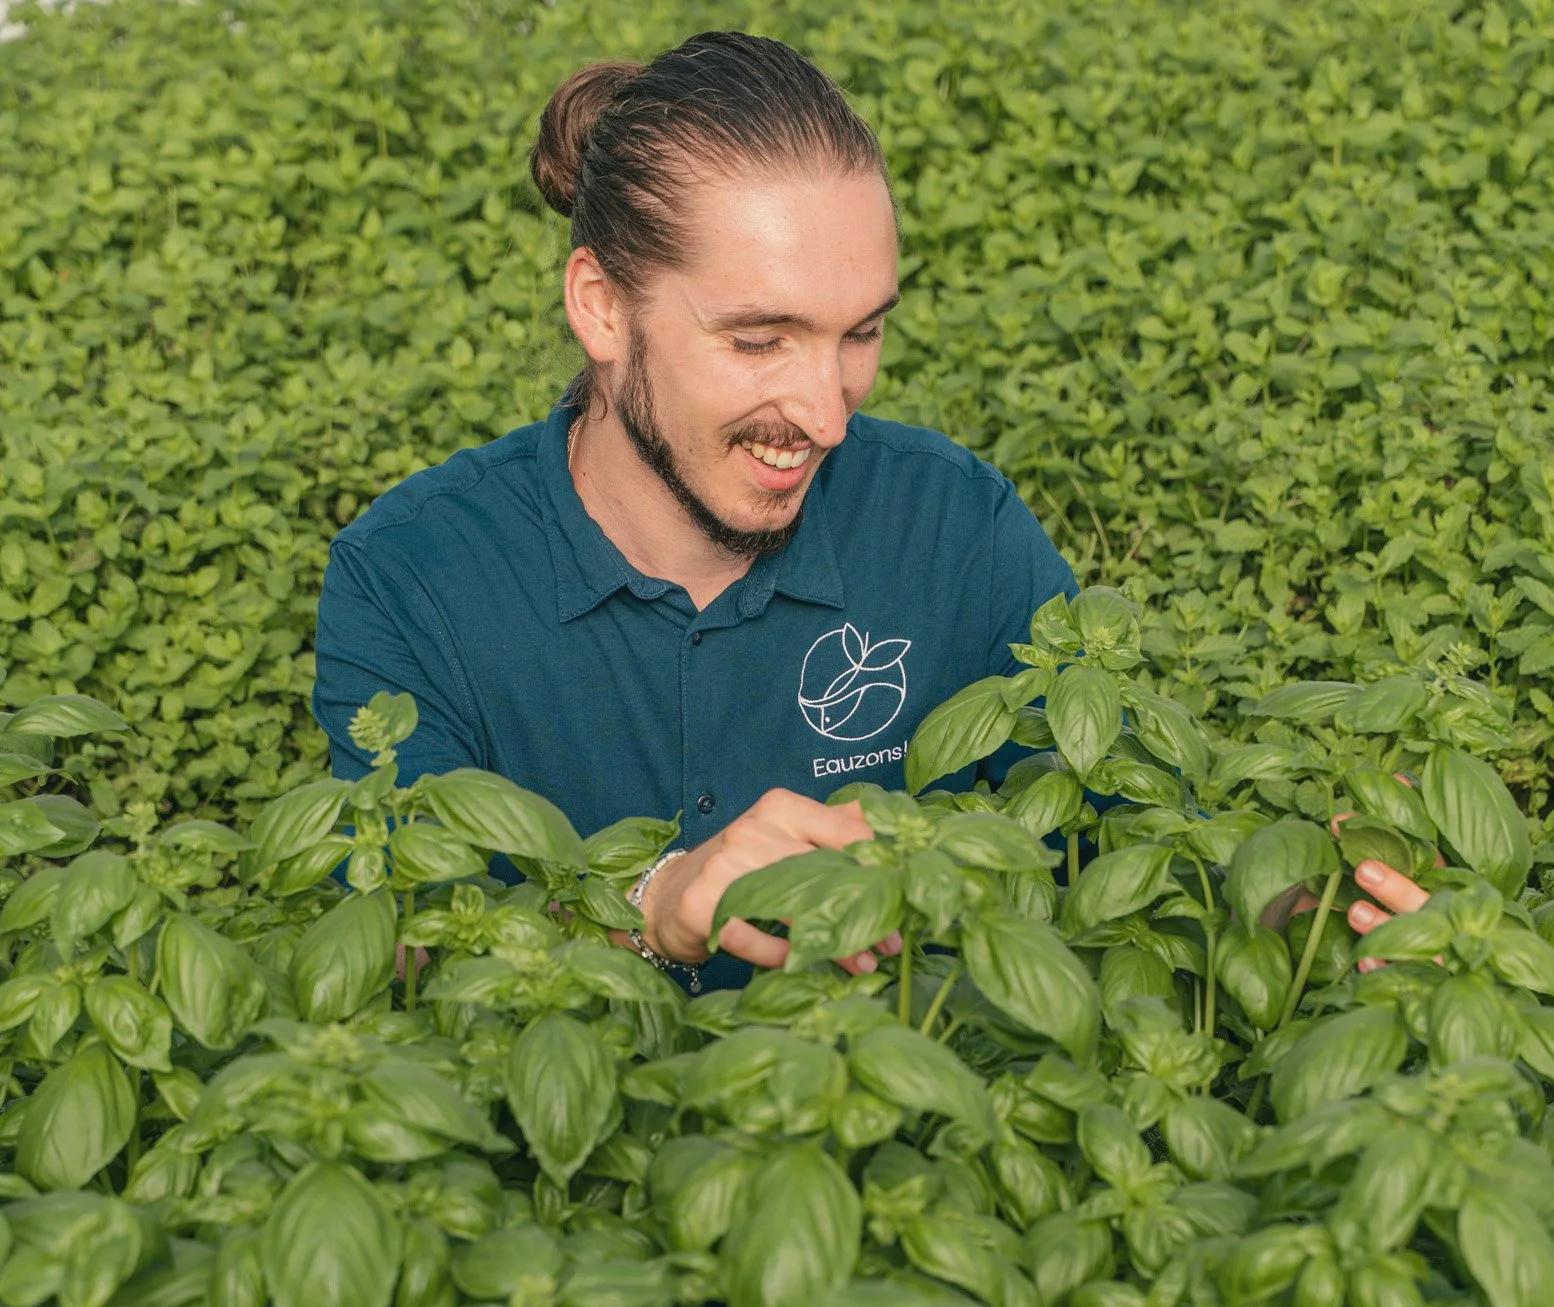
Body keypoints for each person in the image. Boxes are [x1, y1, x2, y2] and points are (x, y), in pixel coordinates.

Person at [310, 32, 1076, 989]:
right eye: (760, 340)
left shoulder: (955, 525)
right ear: (600, 307)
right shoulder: (414, 579)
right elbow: (407, 955)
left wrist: (1299, 879)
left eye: (861, 333)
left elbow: (1131, 829)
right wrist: (652, 906)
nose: (827, 415)